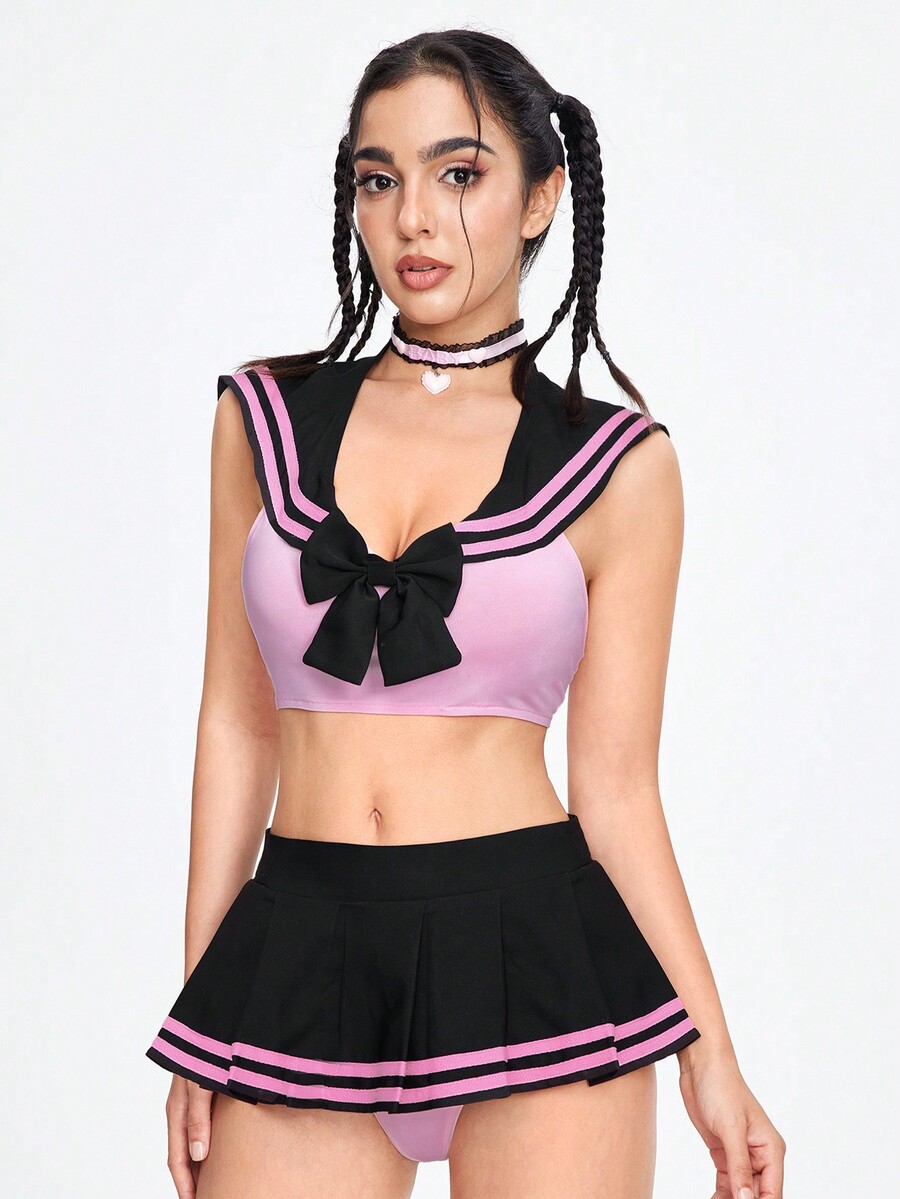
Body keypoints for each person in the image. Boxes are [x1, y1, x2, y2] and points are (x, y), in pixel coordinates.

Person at [145, 28, 785, 1199]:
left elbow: (618, 788)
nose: (413, 219)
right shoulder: (262, 422)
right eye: (377, 178)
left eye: (459, 173)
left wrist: (712, 1054)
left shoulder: (619, 466)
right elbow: (234, 726)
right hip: (300, 953)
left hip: (539, 957)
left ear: (541, 197)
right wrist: (201, 1011)